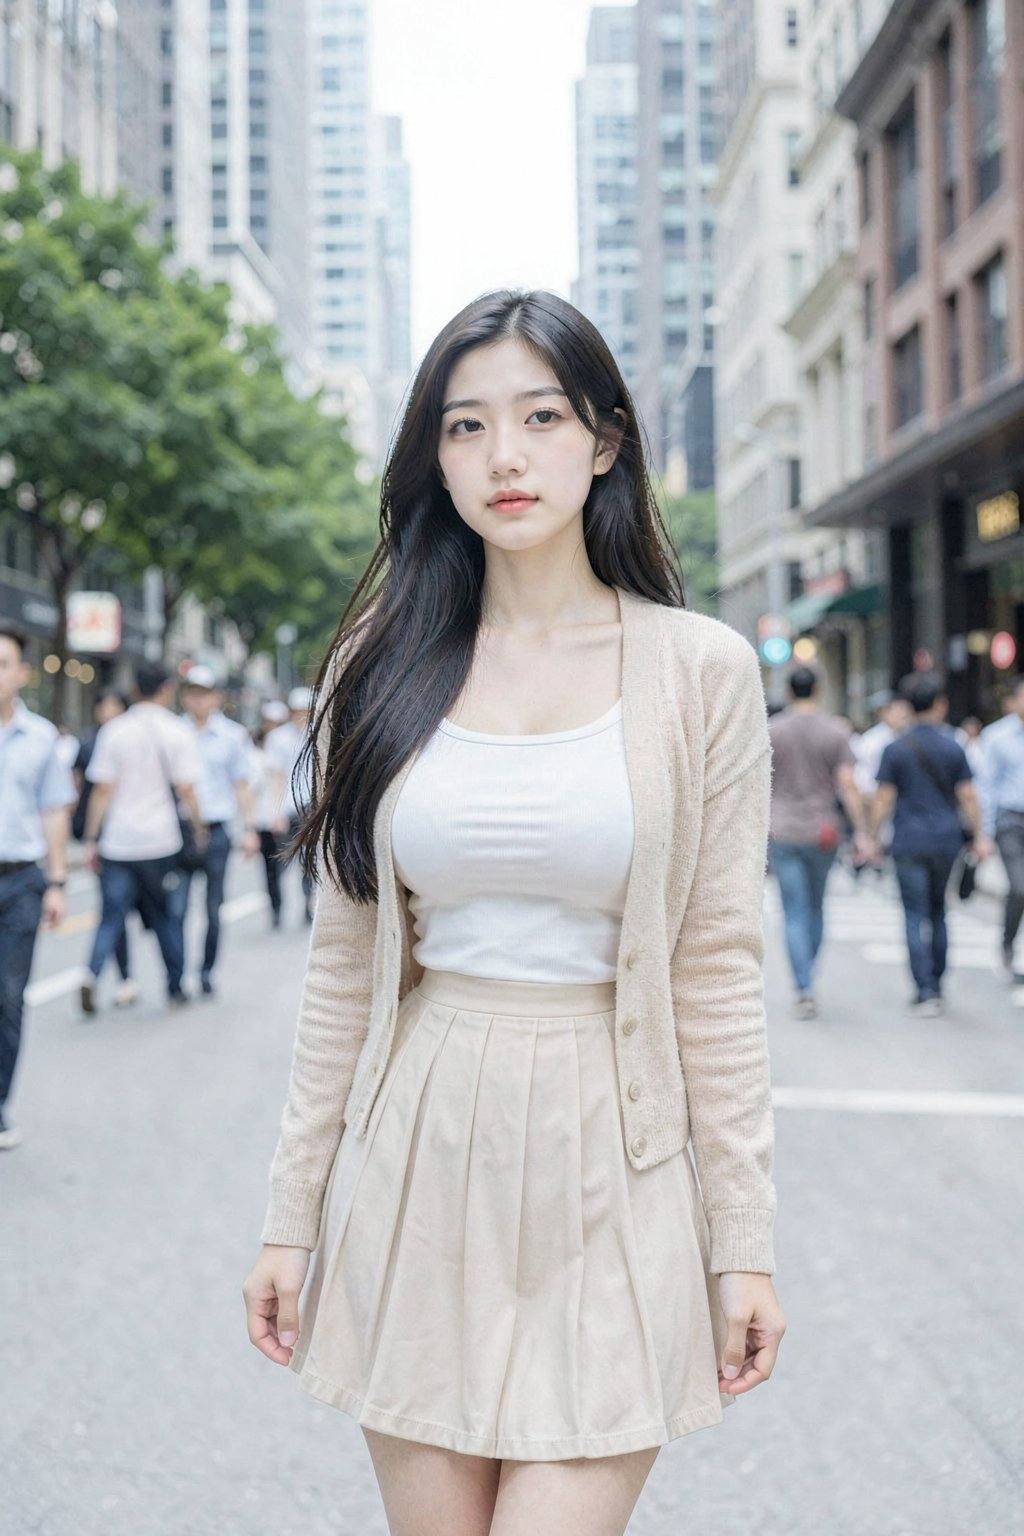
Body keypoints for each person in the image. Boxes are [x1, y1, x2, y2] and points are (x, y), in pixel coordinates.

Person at [242, 289, 786, 1535]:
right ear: (432, 456)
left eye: (539, 417)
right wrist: (292, 1213)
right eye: (464, 425)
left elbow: (714, 967)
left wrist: (740, 1238)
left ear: (603, 438)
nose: (503, 456)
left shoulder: (698, 669)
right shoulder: (380, 661)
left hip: (619, 1145)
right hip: (422, 1141)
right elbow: (346, 960)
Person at [80, 662, 205, 1013]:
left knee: (110, 915)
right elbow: (188, 790)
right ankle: (176, 984)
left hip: (119, 842)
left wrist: (92, 838)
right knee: (167, 916)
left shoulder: (115, 731)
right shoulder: (177, 731)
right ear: (166, 689)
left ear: (134, 689)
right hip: (160, 841)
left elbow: (101, 791)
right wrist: (198, 828)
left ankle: (91, 973)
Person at [0, 622, 76, 1151]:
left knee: (7, 996)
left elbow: (54, 813)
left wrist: (56, 882)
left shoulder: (42, 738)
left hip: (20, 881)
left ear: (23, 673)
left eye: (3, 663)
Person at [868, 673, 985, 1014]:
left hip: (907, 840)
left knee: (912, 913)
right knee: (939, 911)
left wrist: (873, 837)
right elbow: (968, 795)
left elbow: (883, 799)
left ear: (907, 706)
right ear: (940, 704)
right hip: (945, 839)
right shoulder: (954, 746)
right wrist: (978, 836)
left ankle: (922, 988)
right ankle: (937, 981)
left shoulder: (894, 748)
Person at [767, 665, 871, 1019]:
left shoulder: (773, 731)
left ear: (791, 691)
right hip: (824, 830)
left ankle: (803, 986)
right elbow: (848, 784)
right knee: (816, 906)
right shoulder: (836, 731)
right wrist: (862, 831)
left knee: (793, 910)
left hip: (782, 829)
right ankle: (808, 972)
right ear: (819, 689)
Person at [171, 665, 259, 996]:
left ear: (216, 697)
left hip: (218, 830)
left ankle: (206, 971)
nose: (197, 699)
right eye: (192, 692)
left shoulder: (232, 735)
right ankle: (176, 975)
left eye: (204, 693)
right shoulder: (173, 732)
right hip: (179, 832)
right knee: (175, 908)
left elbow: (242, 785)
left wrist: (250, 829)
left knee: (213, 908)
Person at [72, 689, 140, 1007]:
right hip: (116, 839)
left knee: (115, 910)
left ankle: (112, 976)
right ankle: (115, 976)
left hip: (120, 838)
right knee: (116, 911)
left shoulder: (114, 740)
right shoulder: (92, 742)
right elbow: (82, 788)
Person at [974, 674, 1024, 982]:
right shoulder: (997, 737)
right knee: (1019, 887)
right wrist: (984, 832)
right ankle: (1006, 946)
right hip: (1010, 821)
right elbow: (986, 788)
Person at [263, 687, 316, 924]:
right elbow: (275, 777)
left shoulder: (319, 735)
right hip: (287, 807)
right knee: (279, 861)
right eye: (297, 711)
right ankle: (276, 906)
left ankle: (308, 902)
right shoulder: (278, 738)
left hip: (311, 806)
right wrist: (275, 811)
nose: (301, 716)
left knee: (310, 859)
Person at [249, 700, 290, 929]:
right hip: (261, 817)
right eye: (268, 722)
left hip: (284, 814)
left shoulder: (290, 744)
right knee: (270, 868)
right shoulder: (252, 750)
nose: (272, 726)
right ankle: (275, 907)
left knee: (289, 862)